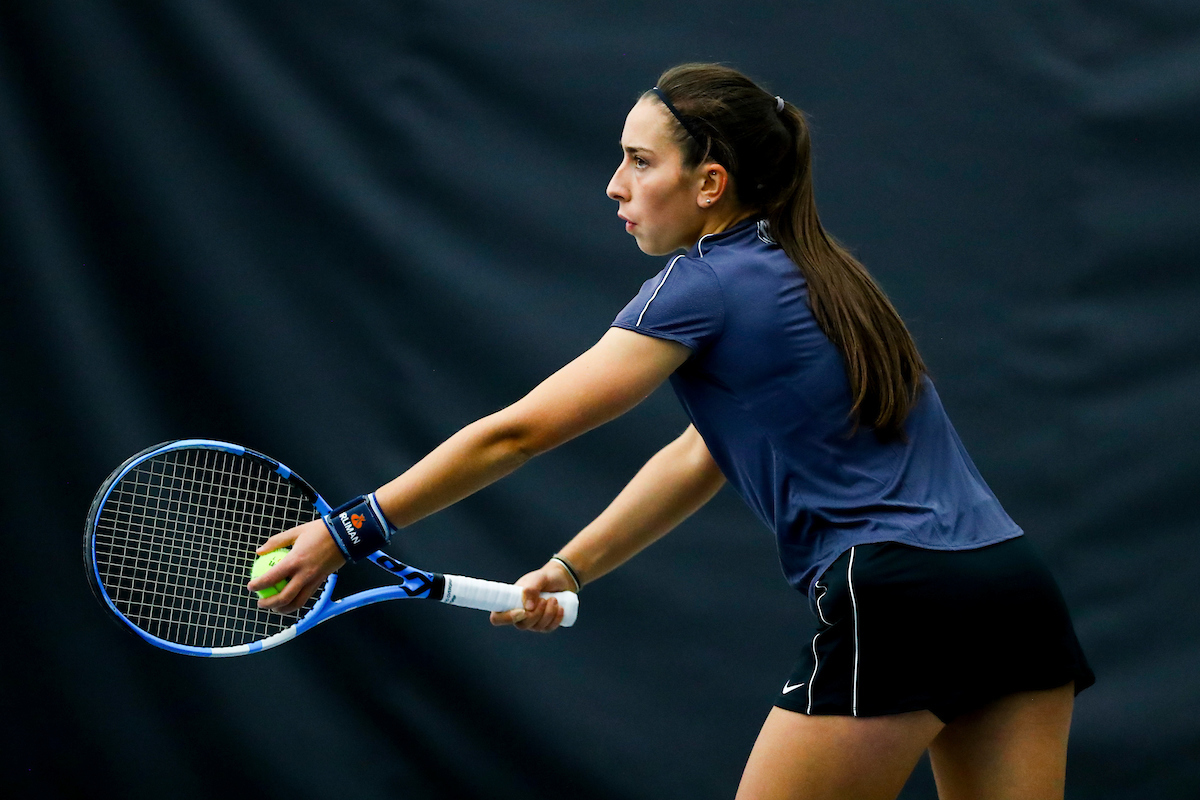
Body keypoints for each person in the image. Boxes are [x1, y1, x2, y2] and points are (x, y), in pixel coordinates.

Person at [248, 63, 1094, 800]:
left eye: (640, 162)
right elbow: (700, 456)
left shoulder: (702, 282)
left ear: (710, 183)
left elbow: (518, 435)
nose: (615, 185)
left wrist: (349, 528)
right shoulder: (830, 276)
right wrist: (569, 567)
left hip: (904, 598)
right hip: (1012, 591)